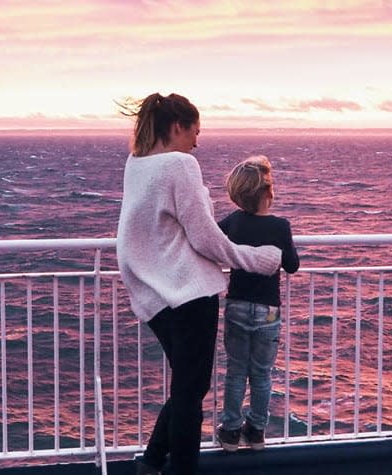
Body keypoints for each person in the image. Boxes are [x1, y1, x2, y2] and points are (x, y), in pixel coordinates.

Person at [116, 93, 283, 475]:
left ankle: (152, 462)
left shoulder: (137, 163)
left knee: (188, 388)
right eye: (195, 131)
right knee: (191, 395)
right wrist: (258, 260)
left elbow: (138, 234)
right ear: (177, 127)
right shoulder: (180, 164)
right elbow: (206, 237)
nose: (197, 142)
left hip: (154, 295)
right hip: (188, 294)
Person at [215, 156, 299, 452]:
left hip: (237, 305)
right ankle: (257, 432)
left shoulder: (234, 221)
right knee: (262, 373)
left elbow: (211, 237)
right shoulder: (280, 226)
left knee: (236, 370)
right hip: (268, 311)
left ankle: (230, 432)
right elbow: (292, 266)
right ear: (268, 193)